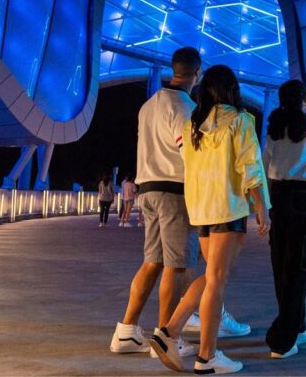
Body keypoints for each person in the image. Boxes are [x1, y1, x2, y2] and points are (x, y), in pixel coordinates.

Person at [151, 65, 270, 375]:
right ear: (231, 90)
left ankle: (170, 331)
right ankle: (206, 356)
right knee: (217, 279)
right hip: (228, 208)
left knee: (213, 276)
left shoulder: (193, 126)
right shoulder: (240, 121)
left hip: (201, 211)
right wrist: (262, 208)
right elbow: (251, 167)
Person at [109, 47, 202, 357]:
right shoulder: (185, 106)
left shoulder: (148, 106)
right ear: (196, 74)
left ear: (173, 70)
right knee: (178, 267)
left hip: (146, 190)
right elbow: (187, 150)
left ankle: (126, 331)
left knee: (153, 262)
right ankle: (166, 337)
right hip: (174, 192)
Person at [262, 79, 306, 359]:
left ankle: (298, 325)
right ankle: (284, 340)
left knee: (280, 262)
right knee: (299, 264)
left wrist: (264, 205)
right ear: (304, 100)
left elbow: (264, 169)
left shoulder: (273, 131)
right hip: (302, 199)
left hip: (277, 197)